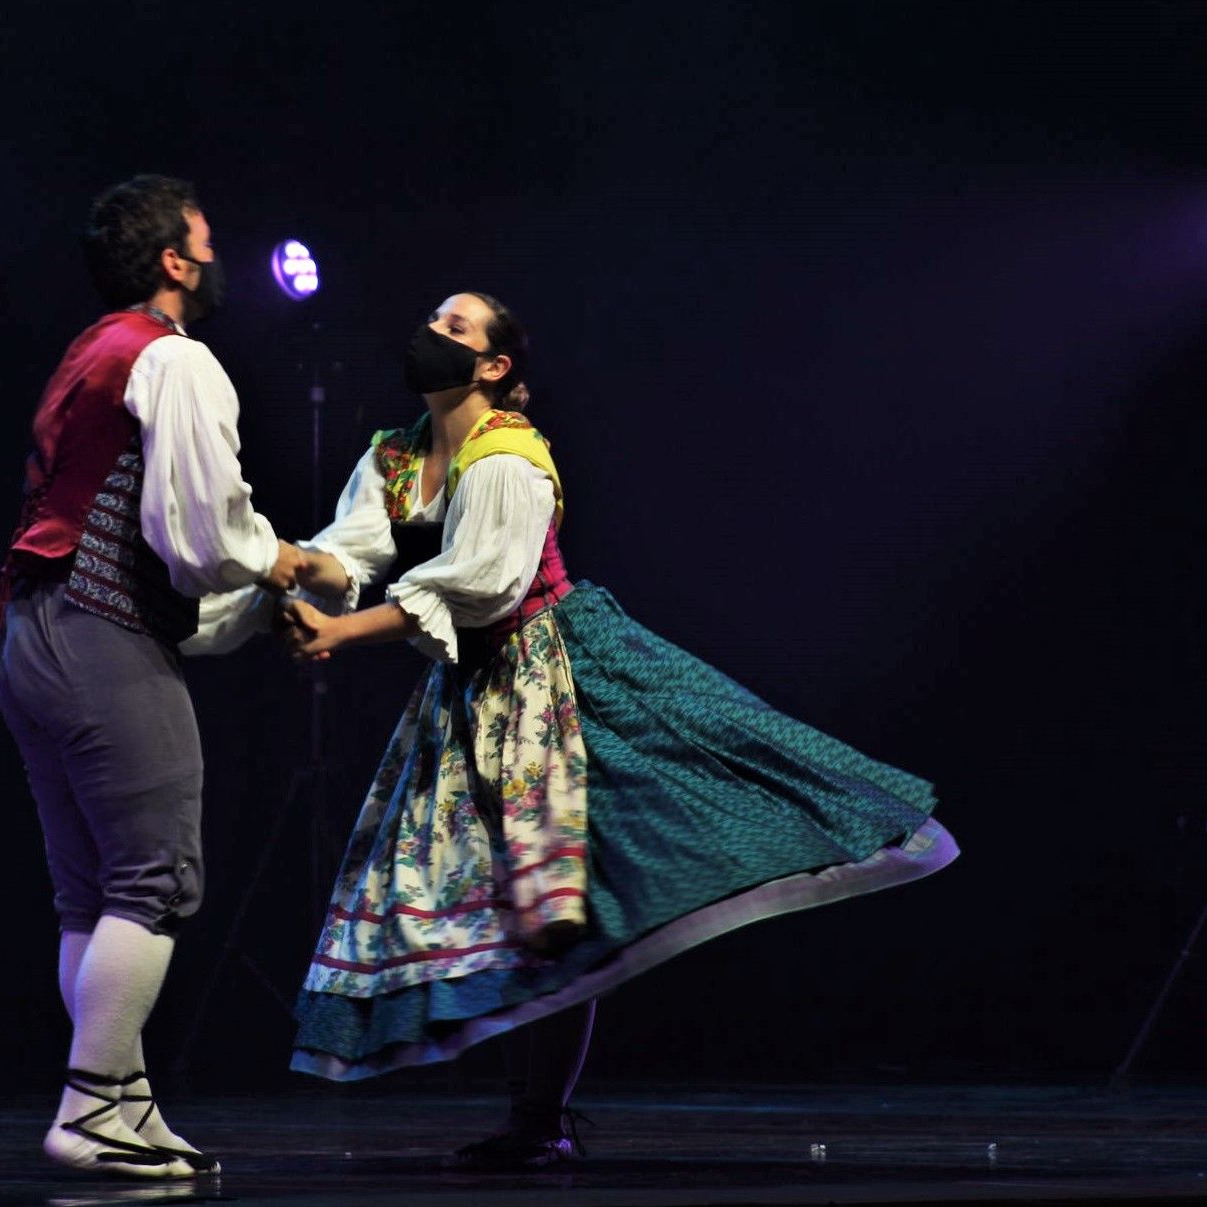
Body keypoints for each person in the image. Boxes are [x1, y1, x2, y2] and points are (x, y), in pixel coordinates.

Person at [270, 290, 959, 1168]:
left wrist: (338, 630)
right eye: (432, 319)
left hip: (560, 669)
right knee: (503, 894)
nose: (430, 333)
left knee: (578, 881)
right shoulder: (396, 457)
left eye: (455, 326)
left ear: (493, 365)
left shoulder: (509, 458)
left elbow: (482, 583)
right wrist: (287, 572)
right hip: (469, 689)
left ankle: (541, 1116)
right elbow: (354, 550)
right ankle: (536, 1119)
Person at [0, 175, 302, 1179]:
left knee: (91, 894)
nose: (216, 255)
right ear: (173, 259)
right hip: (96, 633)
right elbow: (200, 535)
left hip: (27, 635)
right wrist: (281, 562)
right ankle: (86, 1111)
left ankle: (123, 1099)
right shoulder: (171, 357)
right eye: (205, 239)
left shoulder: (89, 352)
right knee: (157, 877)